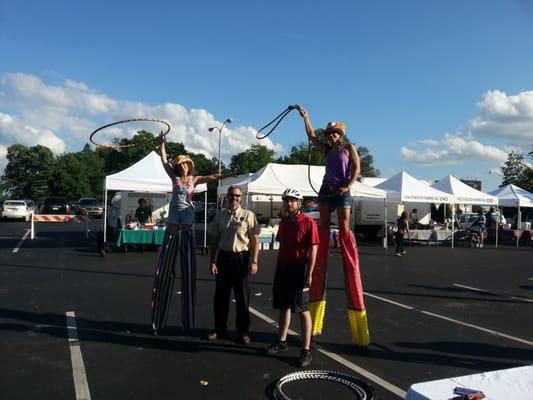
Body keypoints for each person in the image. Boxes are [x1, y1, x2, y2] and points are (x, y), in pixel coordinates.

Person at [298, 107, 370, 346]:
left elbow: (358, 169)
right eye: (329, 134)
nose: (331, 137)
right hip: (326, 192)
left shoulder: (349, 149)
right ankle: (324, 249)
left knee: (345, 226)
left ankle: (345, 247)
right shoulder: (327, 148)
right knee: (324, 225)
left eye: (334, 133)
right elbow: (311, 137)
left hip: (342, 192)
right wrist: (306, 117)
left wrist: (347, 186)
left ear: (341, 134)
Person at [151, 133, 235, 335]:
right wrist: (162, 143)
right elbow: (163, 159)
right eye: (180, 165)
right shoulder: (174, 177)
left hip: (187, 225)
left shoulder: (194, 179)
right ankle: (157, 322)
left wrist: (228, 174)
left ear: (189, 165)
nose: (183, 167)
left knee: (188, 275)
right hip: (173, 225)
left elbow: (213, 177)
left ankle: (187, 324)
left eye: (185, 164)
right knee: (164, 274)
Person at [266, 188, 319, 368]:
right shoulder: (284, 222)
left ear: (299, 202)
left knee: (302, 309)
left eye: (292, 200)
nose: (288, 203)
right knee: (284, 306)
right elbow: (282, 247)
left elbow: (313, 249)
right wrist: (277, 269)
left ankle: (305, 350)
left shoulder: (308, 222)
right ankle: (282, 341)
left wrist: (309, 274)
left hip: (300, 269)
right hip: (283, 269)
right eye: (286, 200)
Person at [207, 186, 260, 344]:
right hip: (223, 259)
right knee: (220, 297)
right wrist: (212, 261)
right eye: (231, 195)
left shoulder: (248, 215)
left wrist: (254, 261)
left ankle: (243, 331)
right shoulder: (220, 216)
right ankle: (219, 328)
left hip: (241, 259)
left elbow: (255, 239)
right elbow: (214, 240)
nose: (234, 198)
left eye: (237, 196)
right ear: (227, 196)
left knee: (242, 298)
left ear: (241, 198)